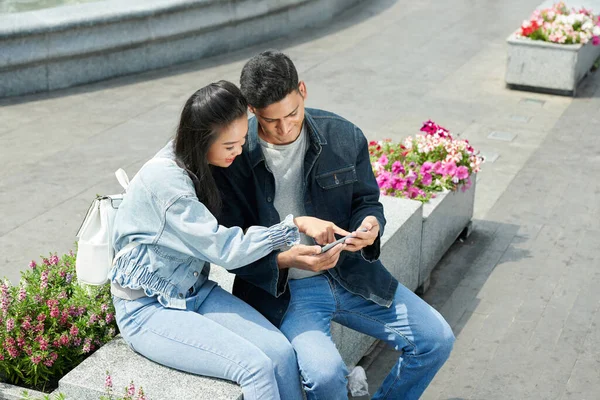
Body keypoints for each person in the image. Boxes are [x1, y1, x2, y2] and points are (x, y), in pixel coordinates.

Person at [212, 51, 456, 400]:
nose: (285, 128)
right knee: (325, 376)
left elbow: (367, 202)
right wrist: (288, 259)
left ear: (303, 90)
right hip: (286, 293)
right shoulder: (234, 157)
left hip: (351, 275)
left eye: (292, 114)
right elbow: (230, 244)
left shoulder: (343, 135)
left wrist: (370, 225)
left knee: (436, 339)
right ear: (252, 110)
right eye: (270, 121)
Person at [109, 80, 348, 400]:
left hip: (195, 290)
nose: (238, 152)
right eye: (229, 146)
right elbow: (227, 250)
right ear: (202, 139)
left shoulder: (195, 160)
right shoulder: (168, 183)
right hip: (148, 307)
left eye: (241, 142)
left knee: (280, 352)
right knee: (255, 368)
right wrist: (294, 225)